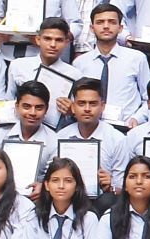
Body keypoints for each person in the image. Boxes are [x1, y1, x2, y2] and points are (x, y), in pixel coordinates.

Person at [72, 3, 150, 126]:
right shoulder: (80, 63)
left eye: (112, 22)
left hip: (126, 128)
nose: (106, 26)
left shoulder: (137, 58)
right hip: (90, 128)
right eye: (100, 22)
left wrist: (137, 119)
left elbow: (149, 98)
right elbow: (75, 100)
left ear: (120, 28)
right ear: (92, 28)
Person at [54, 78, 127, 206]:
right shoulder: (61, 137)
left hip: (102, 203)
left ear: (102, 106)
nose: (87, 109)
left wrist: (111, 185)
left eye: (93, 104)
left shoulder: (117, 139)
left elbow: (122, 187)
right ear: (73, 107)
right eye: (81, 103)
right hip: (67, 201)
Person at [4, 18, 83, 127]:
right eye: (47, 39)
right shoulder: (18, 66)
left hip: (57, 132)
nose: (53, 44)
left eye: (59, 40)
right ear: (38, 40)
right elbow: (9, 101)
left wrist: (72, 110)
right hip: (22, 128)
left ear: (66, 42)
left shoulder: (75, 75)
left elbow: (80, 112)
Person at [0, 81, 60, 195]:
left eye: (39, 108)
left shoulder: (54, 141)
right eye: (26, 107)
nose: (32, 113)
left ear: (46, 109)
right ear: (17, 107)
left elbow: (56, 177)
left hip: (37, 199)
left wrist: (43, 187)